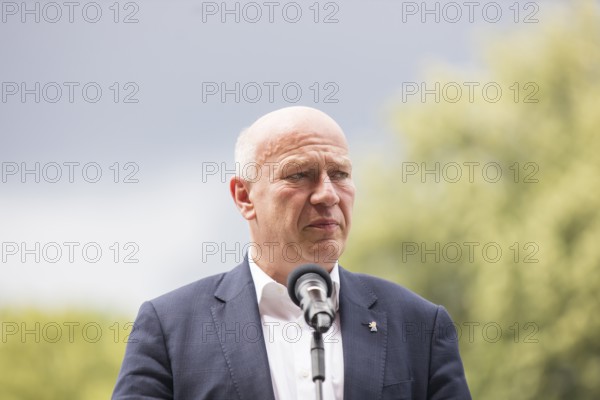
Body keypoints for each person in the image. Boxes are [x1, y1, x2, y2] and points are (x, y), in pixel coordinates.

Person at [112, 106, 472, 399]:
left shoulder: (420, 326)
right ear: (243, 196)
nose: (328, 194)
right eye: (300, 174)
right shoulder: (170, 328)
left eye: (340, 174)